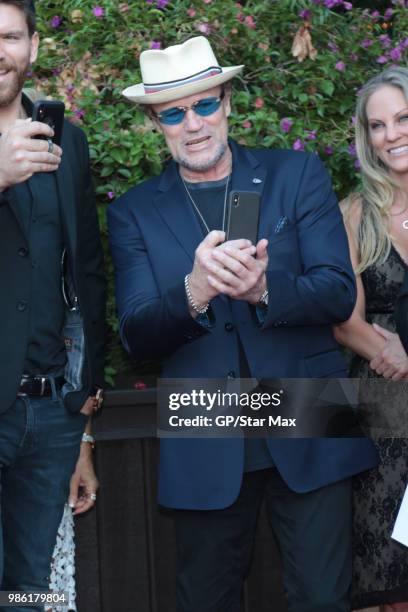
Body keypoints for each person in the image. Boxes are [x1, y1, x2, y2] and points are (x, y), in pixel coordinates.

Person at [108, 36, 378, 612]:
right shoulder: (133, 210)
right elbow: (134, 333)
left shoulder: (296, 173)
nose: (194, 124)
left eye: (205, 104)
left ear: (228, 102)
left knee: (324, 600)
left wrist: (262, 290)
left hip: (309, 408)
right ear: (157, 123)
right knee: (205, 600)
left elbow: (336, 292)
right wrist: (195, 291)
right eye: (174, 113)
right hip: (204, 420)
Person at [0, 0, 106, 607]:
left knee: (26, 592)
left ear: (34, 47)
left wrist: (82, 423)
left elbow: (86, 276)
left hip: (49, 418)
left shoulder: (67, 141)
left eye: (11, 36)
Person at [334, 66, 408, 611]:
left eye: (403, 118)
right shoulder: (356, 213)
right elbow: (345, 321)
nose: (392, 134)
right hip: (386, 420)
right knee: (386, 583)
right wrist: (392, 350)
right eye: (378, 125)